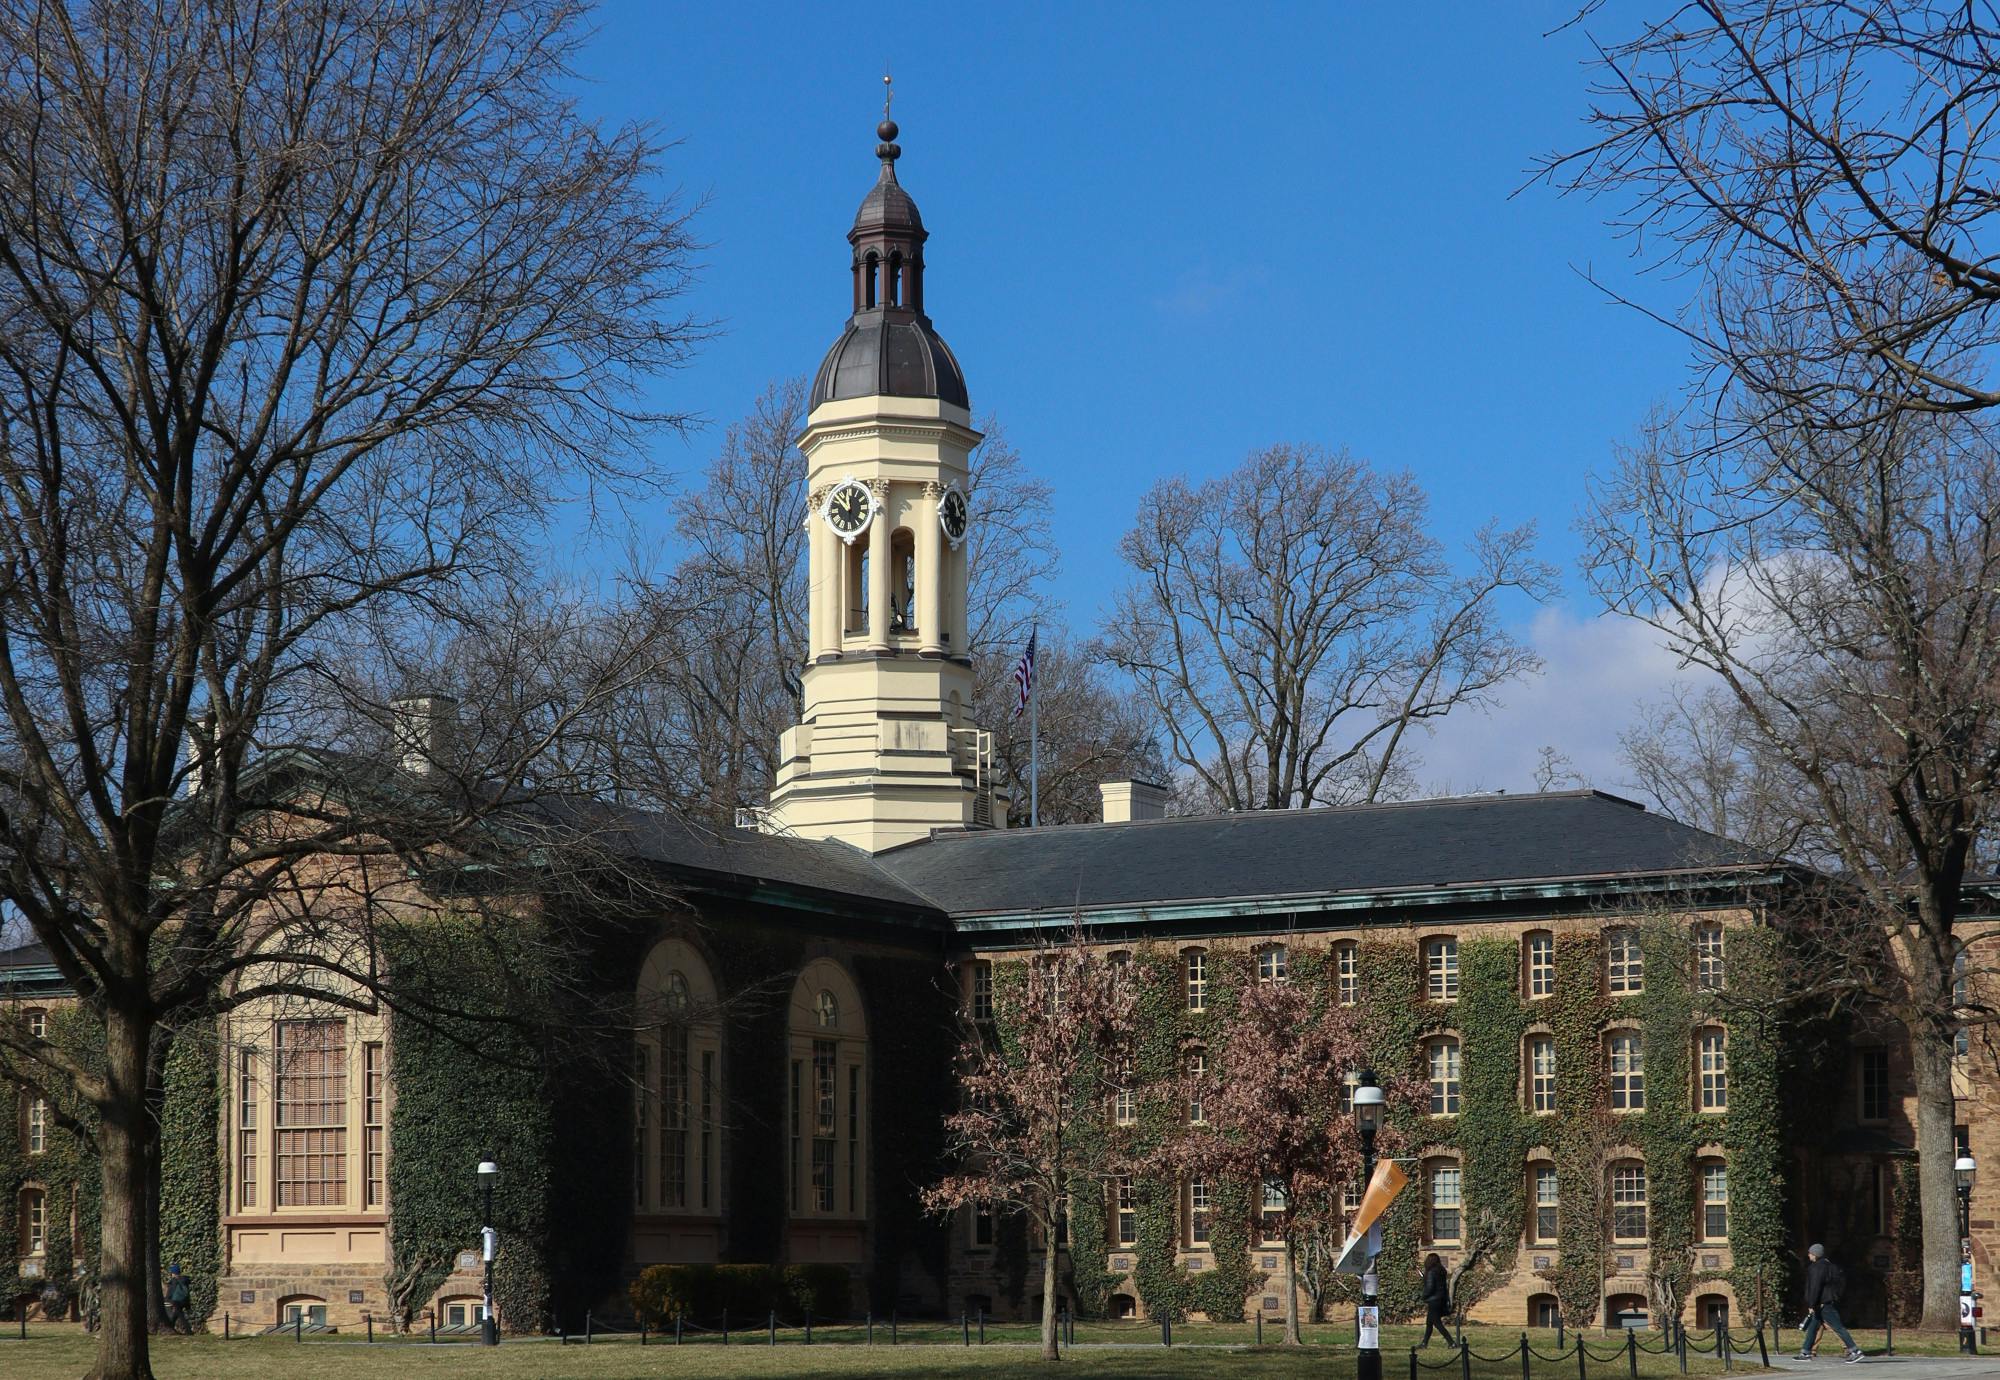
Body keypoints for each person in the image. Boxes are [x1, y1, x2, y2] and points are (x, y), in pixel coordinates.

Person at [1795, 1243, 1862, 1364]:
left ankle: (1855, 1351)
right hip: (1827, 1301)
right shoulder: (1831, 1266)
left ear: (1815, 1255)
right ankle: (1805, 1352)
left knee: (1838, 1328)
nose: (1809, 1255)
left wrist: (1811, 1304)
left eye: (1810, 1253)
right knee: (1812, 1328)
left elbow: (1815, 1287)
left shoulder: (1816, 1268)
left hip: (1822, 1304)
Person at [1419, 1253, 1457, 1348]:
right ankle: (1424, 1343)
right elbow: (1439, 1285)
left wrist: (1424, 1296)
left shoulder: (1431, 1272)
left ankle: (1451, 1342)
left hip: (1433, 1300)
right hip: (1440, 1299)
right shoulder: (1441, 1271)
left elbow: (1430, 1287)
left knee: (1437, 1323)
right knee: (1429, 1323)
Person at [164, 1263, 192, 1335]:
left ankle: (189, 1331)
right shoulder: (184, 1280)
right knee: (175, 1315)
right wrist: (188, 1305)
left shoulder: (174, 1281)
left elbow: (171, 1292)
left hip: (176, 1301)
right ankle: (171, 1327)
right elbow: (187, 1292)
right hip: (184, 1300)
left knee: (181, 1316)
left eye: (171, 1272)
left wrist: (166, 1299)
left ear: (173, 1273)